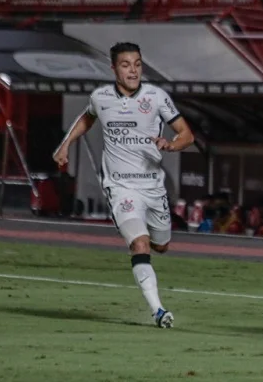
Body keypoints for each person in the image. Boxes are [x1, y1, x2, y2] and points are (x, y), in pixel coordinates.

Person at [52, 42, 194, 328]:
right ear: (114, 68)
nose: (133, 70)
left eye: (138, 64)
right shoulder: (101, 97)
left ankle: (153, 247)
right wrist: (65, 144)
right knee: (139, 244)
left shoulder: (156, 97)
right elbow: (87, 117)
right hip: (120, 188)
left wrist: (172, 144)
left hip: (153, 187)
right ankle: (158, 311)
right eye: (126, 64)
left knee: (161, 245)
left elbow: (186, 134)